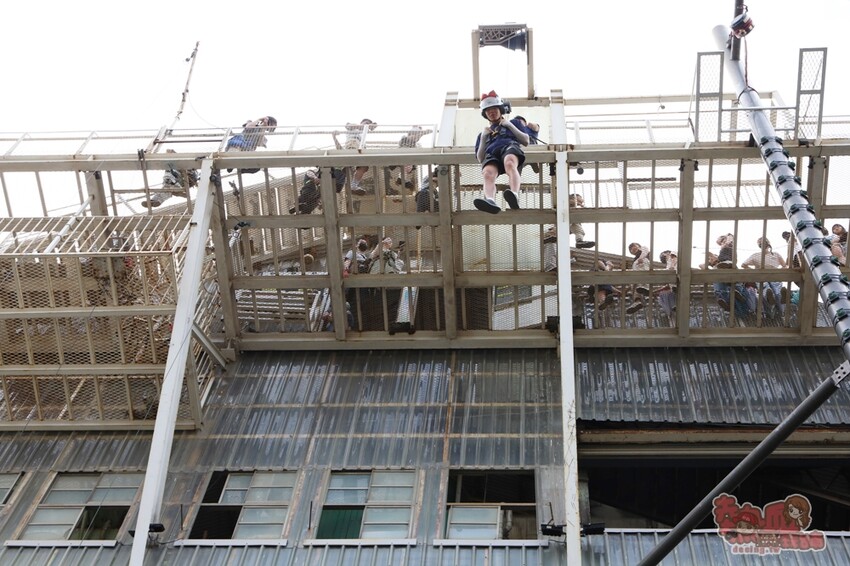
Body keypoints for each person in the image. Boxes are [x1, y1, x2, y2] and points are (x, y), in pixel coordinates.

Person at [473, 90, 531, 214]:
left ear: (500, 109)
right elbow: (480, 158)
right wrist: (483, 138)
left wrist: (509, 125)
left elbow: (526, 140)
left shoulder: (514, 123)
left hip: (508, 147)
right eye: (488, 110)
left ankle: (514, 194)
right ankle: (490, 200)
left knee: (510, 162)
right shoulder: (483, 134)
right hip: (492, 153)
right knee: (488, 173)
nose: (491, 112)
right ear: (485, 114)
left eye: (494, 109)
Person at [741, 236, 788, 318]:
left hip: (774, 276)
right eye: (760, 242)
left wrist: (780, 271)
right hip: (761, 277)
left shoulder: (776, 254)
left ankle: (781, 307)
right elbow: (743, 265)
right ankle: (772, 301)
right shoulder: (755, 256)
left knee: (777, 291)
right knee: (766, 289)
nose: (762, 243)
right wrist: (754, 272)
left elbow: (785, 265)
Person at [334, 118, 377, 195]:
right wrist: (367, 126)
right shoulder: (354, 128)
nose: (367, 125)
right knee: (345, 167)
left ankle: (354, 185)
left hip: (359, 149)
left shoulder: (362, 135)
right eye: (366, 123)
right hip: (352, 145)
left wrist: (371, 126)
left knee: (364, 166)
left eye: (368, 124)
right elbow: (347, 125)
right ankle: (339, 181)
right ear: (361, 122)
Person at [626, 242, 650, 313]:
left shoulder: (643, 250)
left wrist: (641, 258)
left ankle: (646, 288)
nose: (632, 249)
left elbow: (646, 251)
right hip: (637, 274)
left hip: (643, 270)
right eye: (630, 249)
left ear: (639, 246)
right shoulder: (634, 261)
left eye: (633, 246)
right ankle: (637, 301)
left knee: (642, 279)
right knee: (634, 286)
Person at [656, 250, 678, 322]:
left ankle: (672, 309)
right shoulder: (668, 263)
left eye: (663, 255)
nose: (663, 257)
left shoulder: (672, 256)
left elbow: (674, 259)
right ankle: (671, 310)